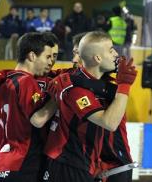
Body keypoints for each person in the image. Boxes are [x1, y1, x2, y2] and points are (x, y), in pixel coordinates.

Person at [42, 31, 137, 182]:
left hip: (85, 165)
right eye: (111, 50)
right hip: (68, 164)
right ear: (98, 58)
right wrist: (124, 85)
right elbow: (109, 123)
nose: (116, 54)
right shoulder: (75, 88)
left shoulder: (88, 82)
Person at [0, 32, 56, 182]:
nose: (50, 62)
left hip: (2, 164)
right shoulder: (26, 82)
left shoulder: (3, 85)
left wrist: (6, 146)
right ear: (32, 56)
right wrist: (58, 98)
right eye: (47, 57)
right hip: (23, 165)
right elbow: (38, 120)